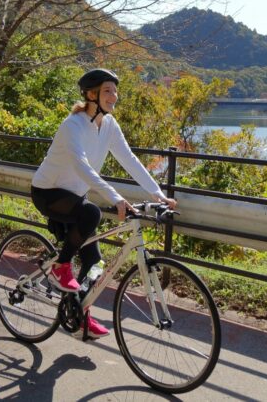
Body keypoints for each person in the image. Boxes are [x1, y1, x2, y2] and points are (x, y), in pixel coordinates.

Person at [30, 68, 177, 339]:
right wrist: (116, 198)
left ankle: (79, 316)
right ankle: (61, 265)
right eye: (108, 90)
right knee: (91, 212)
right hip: (48, 192)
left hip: (74, 197)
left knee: (95, 265)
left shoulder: (109, 125)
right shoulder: (72, 125)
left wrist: (158, 194)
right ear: (91, 94)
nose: (115, 96)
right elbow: (81, 166)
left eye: (115, 91)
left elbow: (129, 159)